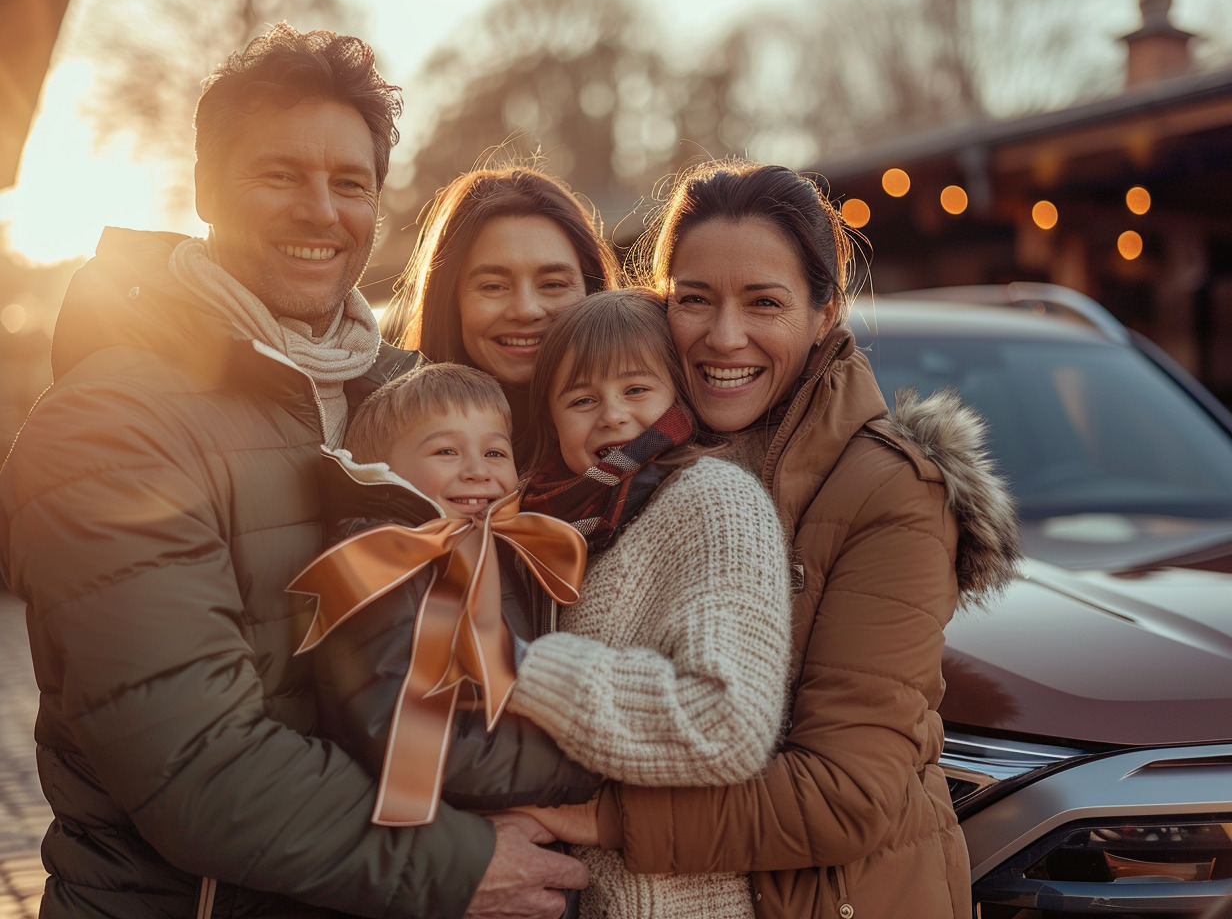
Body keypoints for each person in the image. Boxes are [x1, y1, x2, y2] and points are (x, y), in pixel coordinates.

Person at [0, 25, 585, 919]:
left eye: (350, 183)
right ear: (206, 187)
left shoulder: (403, 399)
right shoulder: (110, 426)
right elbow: (196, 764)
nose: (322, 211)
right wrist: (462, 864)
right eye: (279, 175)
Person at [530, 161, 1023, 918]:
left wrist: (603, 821)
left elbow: (848, 794)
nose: (725, 338)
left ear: (825, 313)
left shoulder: (890, 490)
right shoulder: (622, 474)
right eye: (695, 300)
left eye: (765, 302)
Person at [502, 288, 795, 918]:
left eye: (637, 389)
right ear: (552, 422)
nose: (611, 416)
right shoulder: (552, 524)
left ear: (678, 397)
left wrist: (519, 670)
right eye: (581, 399)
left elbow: (728, 721)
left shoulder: (716, 502)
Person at [295, 362, 601, 828]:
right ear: (383, 471)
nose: (478, 471)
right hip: (439, 837)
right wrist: (589, 766)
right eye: (446, 451)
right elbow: (411, 737)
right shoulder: (385, 562)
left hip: (509, 807)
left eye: (496, 453)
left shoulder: (497, 551)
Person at [379, 165, 621, 460]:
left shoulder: (643, 438)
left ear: (593, 290)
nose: (526, 310)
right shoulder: (390, 452)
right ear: (449, 302)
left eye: (553, 284)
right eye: (493, 286)